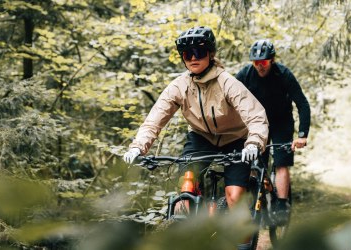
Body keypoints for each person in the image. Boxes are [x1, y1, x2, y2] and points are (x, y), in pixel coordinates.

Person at [123, 26, 269, 250]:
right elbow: (155, 119)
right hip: (201, 138)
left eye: (199, 52)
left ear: (210, 54)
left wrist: (253, 142)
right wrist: (138, 147)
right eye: (186, 54)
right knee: (185, 192)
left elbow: (256, 115)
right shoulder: (179, 86)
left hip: (235, 140)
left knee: (234, 196)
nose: (193, 58)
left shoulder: (227, 82)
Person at [235, 39, 311, 225]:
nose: (260, 66)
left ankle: (282, 205)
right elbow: (231, 101)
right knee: (253, 162)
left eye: (264, 62)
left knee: (280, 163)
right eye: (256, 62)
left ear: (272, 60)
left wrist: (302, 135)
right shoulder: (245, 74)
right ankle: (255, 203)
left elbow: (302, 104)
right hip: (256, 124)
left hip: (281, 123)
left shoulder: (283, 74)